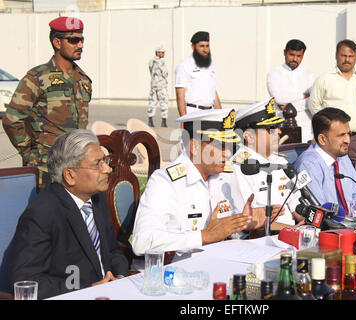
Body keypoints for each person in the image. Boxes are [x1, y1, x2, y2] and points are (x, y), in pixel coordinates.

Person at [8, 129, 128, 300]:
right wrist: (87, 291)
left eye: (105, 161)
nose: (107, 169)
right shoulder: (42, 213)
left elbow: (112, 251)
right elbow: (26, 281)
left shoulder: (96, 198)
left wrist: (119, 279)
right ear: (70, 175)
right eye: (98, 164)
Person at [132, 108, 271, 254]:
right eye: (219, 145)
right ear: (195, 147)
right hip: (174, 270)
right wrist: (204, 236)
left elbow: (224, 233)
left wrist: (242, 224)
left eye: (229, 146)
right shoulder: (165, 182)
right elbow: (142, 242)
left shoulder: (223, 177)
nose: (228, 153)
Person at [2, 16, 92, 188]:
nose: (80, 45)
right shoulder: (37, 78)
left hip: (75, 166)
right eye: (73, 40)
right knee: (46, 214)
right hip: (46, 169)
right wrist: (30, 154)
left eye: (81, 40)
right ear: (57, 43)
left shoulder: (83, 80)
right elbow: (12, 120)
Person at [228, 97, 304, 229]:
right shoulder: (239, 167)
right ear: (249, 136)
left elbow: (295, 202)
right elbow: (249, 222)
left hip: (291, 233)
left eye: (277, 127)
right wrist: (293, 231)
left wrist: (307, 221)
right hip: (261, 240)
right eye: (271, 128)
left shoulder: (279, 161)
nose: (279, 131)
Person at [309, 39, 356, 164]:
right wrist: (328, 126)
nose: (347, 59)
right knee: (331, 170)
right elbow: (314, 104)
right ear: (336, 56)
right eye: (343, 55)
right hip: (332, 139)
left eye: (351, 56)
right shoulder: (325, 79)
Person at [294, 108, 356, 215]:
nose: (348, 140)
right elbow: (319, 210)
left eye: (348, 134)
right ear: (323, 139)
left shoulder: (342, 156)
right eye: (341, 135)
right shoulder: (308, 164)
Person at [266, 39, 316, 142]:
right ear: (285, 53)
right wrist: (303, 95)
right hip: (281, 124)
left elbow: (312, 101)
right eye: (291, 55)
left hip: (306, 127)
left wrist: (287, 105)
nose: (294, 59)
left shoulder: (310, 75)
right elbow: (278, 99)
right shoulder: (274, 74)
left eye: (299, 56)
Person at [174, 31, 222, 117]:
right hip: (194, 114)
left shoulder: (210, 66)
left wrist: (221, 116)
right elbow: (180, 96)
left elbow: (214, 93)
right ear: (193, 47)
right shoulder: (184, 66)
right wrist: (184, 120)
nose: (205, 50)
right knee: (194, 130)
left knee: (213, 131)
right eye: (201, 46)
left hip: (211, 113)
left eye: (207, 46)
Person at [147, 46, 169, 128]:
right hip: (161, 85)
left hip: (154, 85)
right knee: (164, 102)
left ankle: (150, 120)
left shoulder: (151, 61)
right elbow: (165, 74)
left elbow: (150, 71)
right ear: (158, 53)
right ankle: (164, 121)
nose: (163, 54)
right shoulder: (161, 62)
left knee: (152, 102)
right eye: (162, 52)